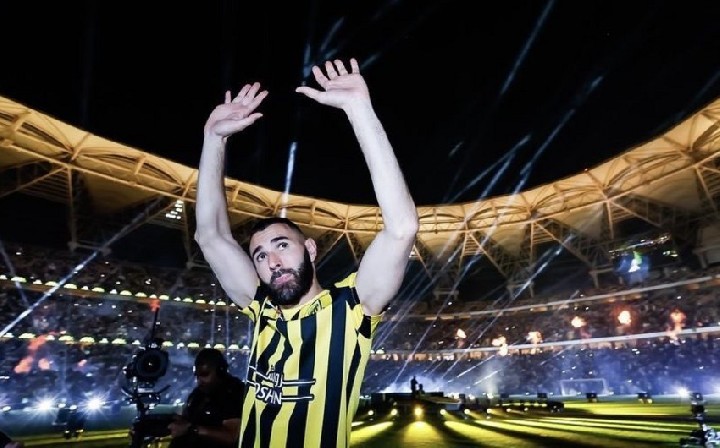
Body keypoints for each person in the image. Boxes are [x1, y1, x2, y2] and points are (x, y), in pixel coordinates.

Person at [195, 58, 418, 447]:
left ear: (310, 249)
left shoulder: (351, 309)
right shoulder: (261, 308)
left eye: (282, 246)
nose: (272, 261)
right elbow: (210, 236)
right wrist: (213, 140)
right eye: (260, 256)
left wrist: (360, 111)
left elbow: (402, 229)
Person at [165, 348, 245, 448]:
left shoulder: (234, 393)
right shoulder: (199, 393)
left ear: (220, 371)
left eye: (204, 374)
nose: (199, 380)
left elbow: (231, 436)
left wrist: (192, 429)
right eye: (197, 375)